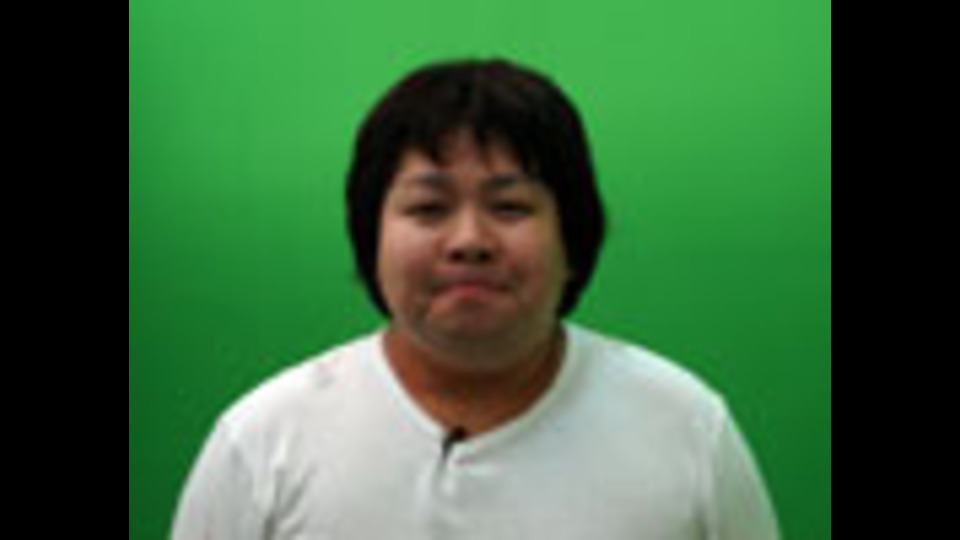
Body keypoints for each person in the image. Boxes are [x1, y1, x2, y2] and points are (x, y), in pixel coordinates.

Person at [172, 58, 780, 540]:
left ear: (573, 238)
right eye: (429, 208)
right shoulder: (263, 443)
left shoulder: (686, 430)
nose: (469, 241)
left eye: (510, 206)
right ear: (371, 236)